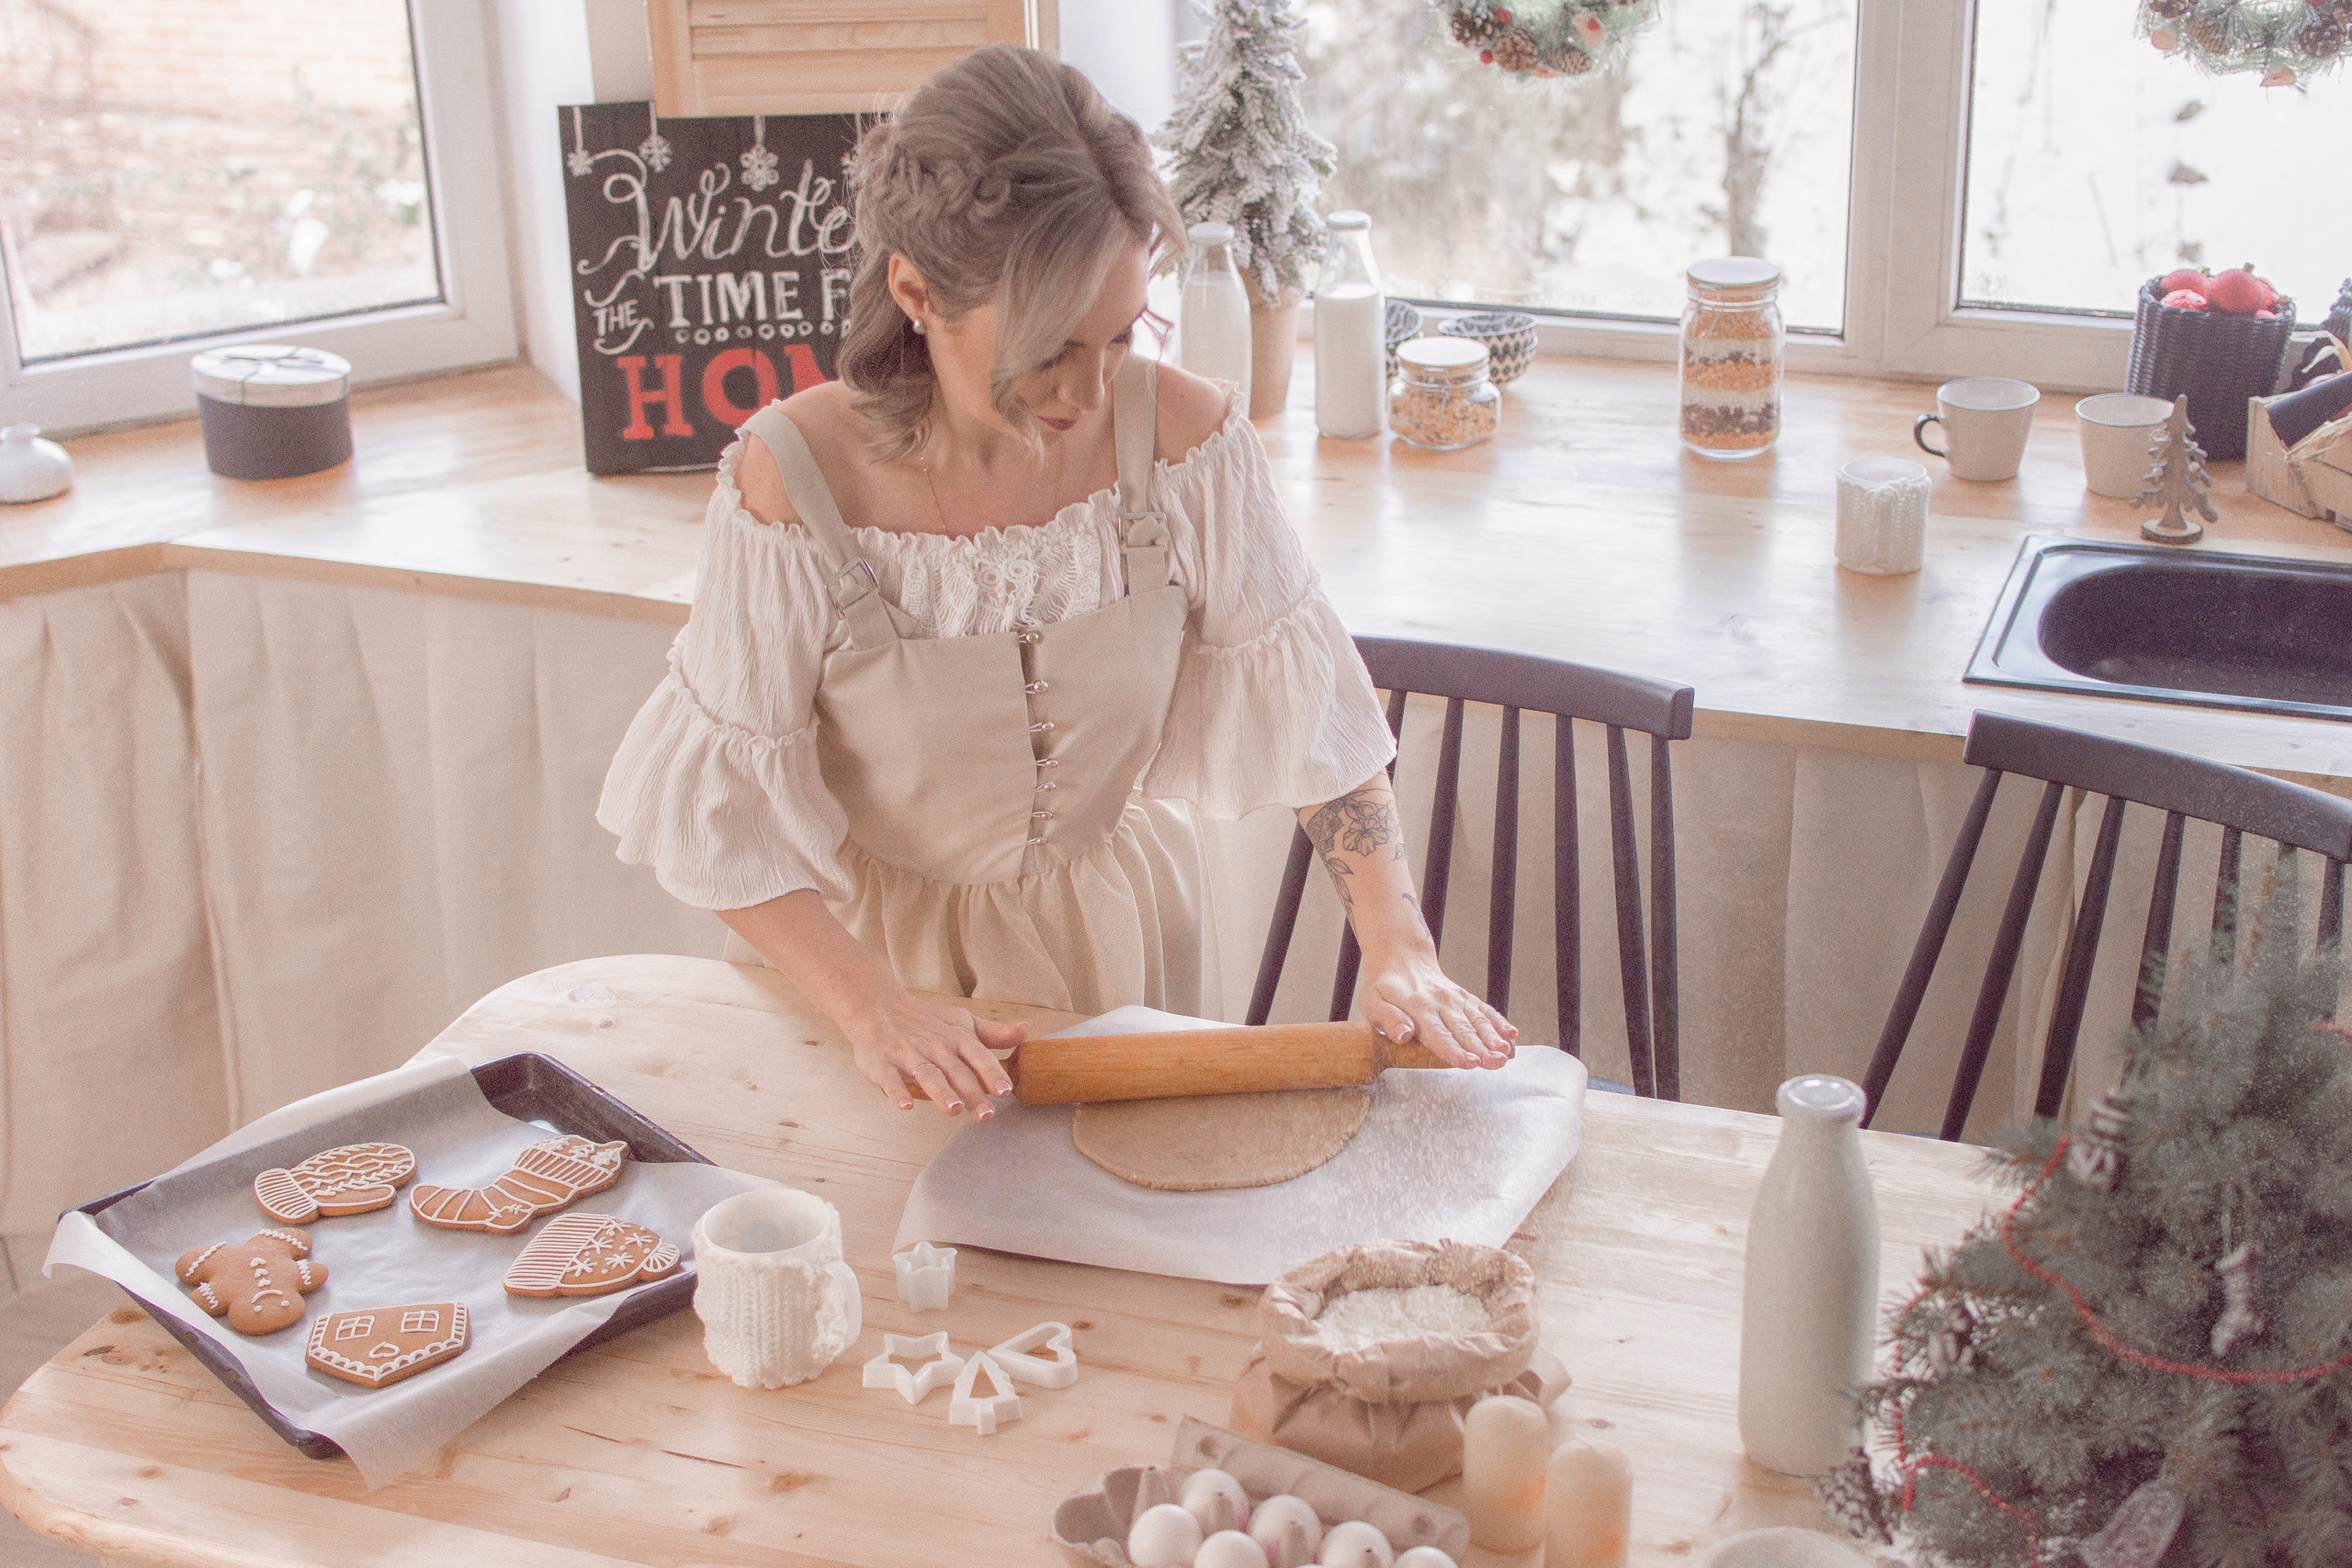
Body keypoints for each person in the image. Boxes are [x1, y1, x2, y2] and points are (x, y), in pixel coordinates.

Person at [598, 45, 1513, 1122]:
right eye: (1045, 350)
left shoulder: (1184, 440)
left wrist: (1397, 944)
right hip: (862, 971)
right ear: (915, 291)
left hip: (1114, 944)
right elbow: (721, 819)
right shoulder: (793, 477)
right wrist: (873, 1010)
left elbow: (1315, 711)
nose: (1088, 387)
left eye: (1120, 334)